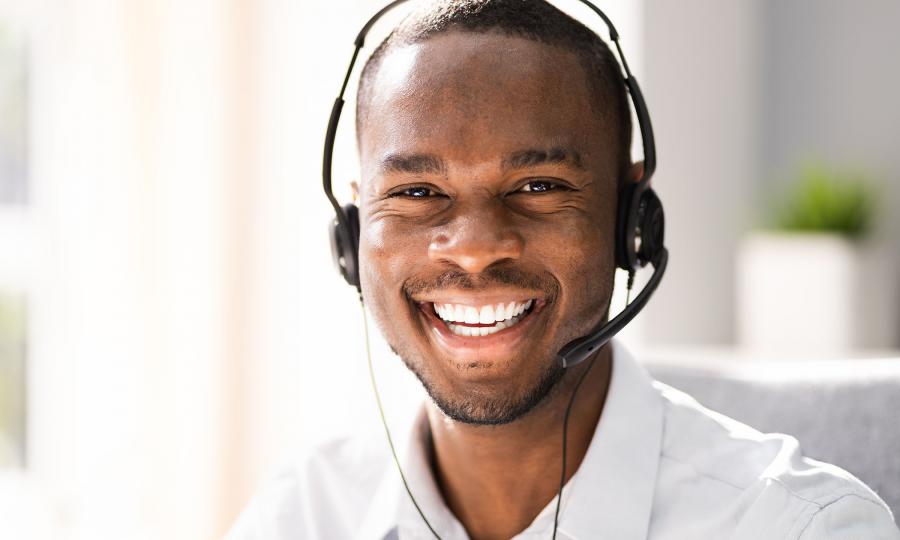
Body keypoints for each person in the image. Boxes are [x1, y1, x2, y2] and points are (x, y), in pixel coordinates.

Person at [226, 1, 900, 538]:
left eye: (539, 186)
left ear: (630, 222)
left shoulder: (799, 527)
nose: (474, 247)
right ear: (352, 233)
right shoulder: (303, 515)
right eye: (416, 193)